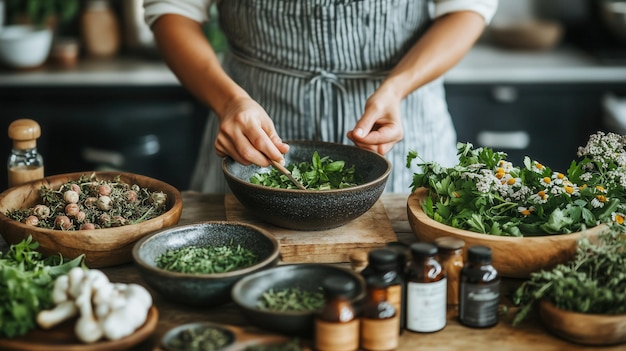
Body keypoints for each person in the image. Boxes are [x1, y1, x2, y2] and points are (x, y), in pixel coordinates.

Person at [144, 0, 498, 193]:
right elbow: (173, 11)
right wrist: (228, 102)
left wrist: (398, 86)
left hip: (402, 118)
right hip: (255, 123)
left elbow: (467, 9)